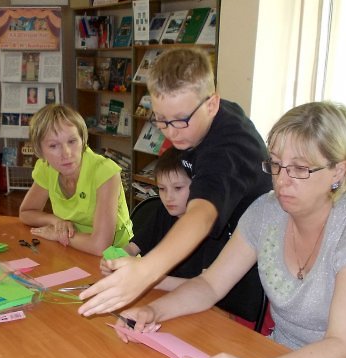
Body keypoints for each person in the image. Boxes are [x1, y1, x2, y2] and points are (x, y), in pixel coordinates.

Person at [113, 101, 346, 358]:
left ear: (339, 169)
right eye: (277, 164)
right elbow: (210, 284)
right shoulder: (266, 211)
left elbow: (342, 348)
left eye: (299, 169)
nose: (282, 181)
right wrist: (153, 311)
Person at [79, 47, 272, 316]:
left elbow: (202, 214)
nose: (170, 132)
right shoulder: (194, 121)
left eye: (180, 120)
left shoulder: (228, 147)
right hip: (216, 259)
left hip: (249, 265)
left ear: (212, 104)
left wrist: (145, 272)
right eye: (161, 119)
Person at [101, 147, 230, 293]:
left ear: (200, 185)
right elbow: (132, 248)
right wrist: (112, 260)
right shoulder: (163, 213)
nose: (168, 197)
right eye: (162, 189)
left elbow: (205, 287)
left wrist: (147, 277)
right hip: (159, 295)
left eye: (178, 188)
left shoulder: (215, 227)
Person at [19, 104, 132, 255]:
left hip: (115, 258)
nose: (66, 153)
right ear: (40, 151)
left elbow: (101, 247)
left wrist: (58, 235)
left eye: (72, 141)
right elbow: (26, 212)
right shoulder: (46, 167)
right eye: (53, 145)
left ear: (83, 140)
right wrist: (55, 221)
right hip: (72, 250)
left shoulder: (105, 172)